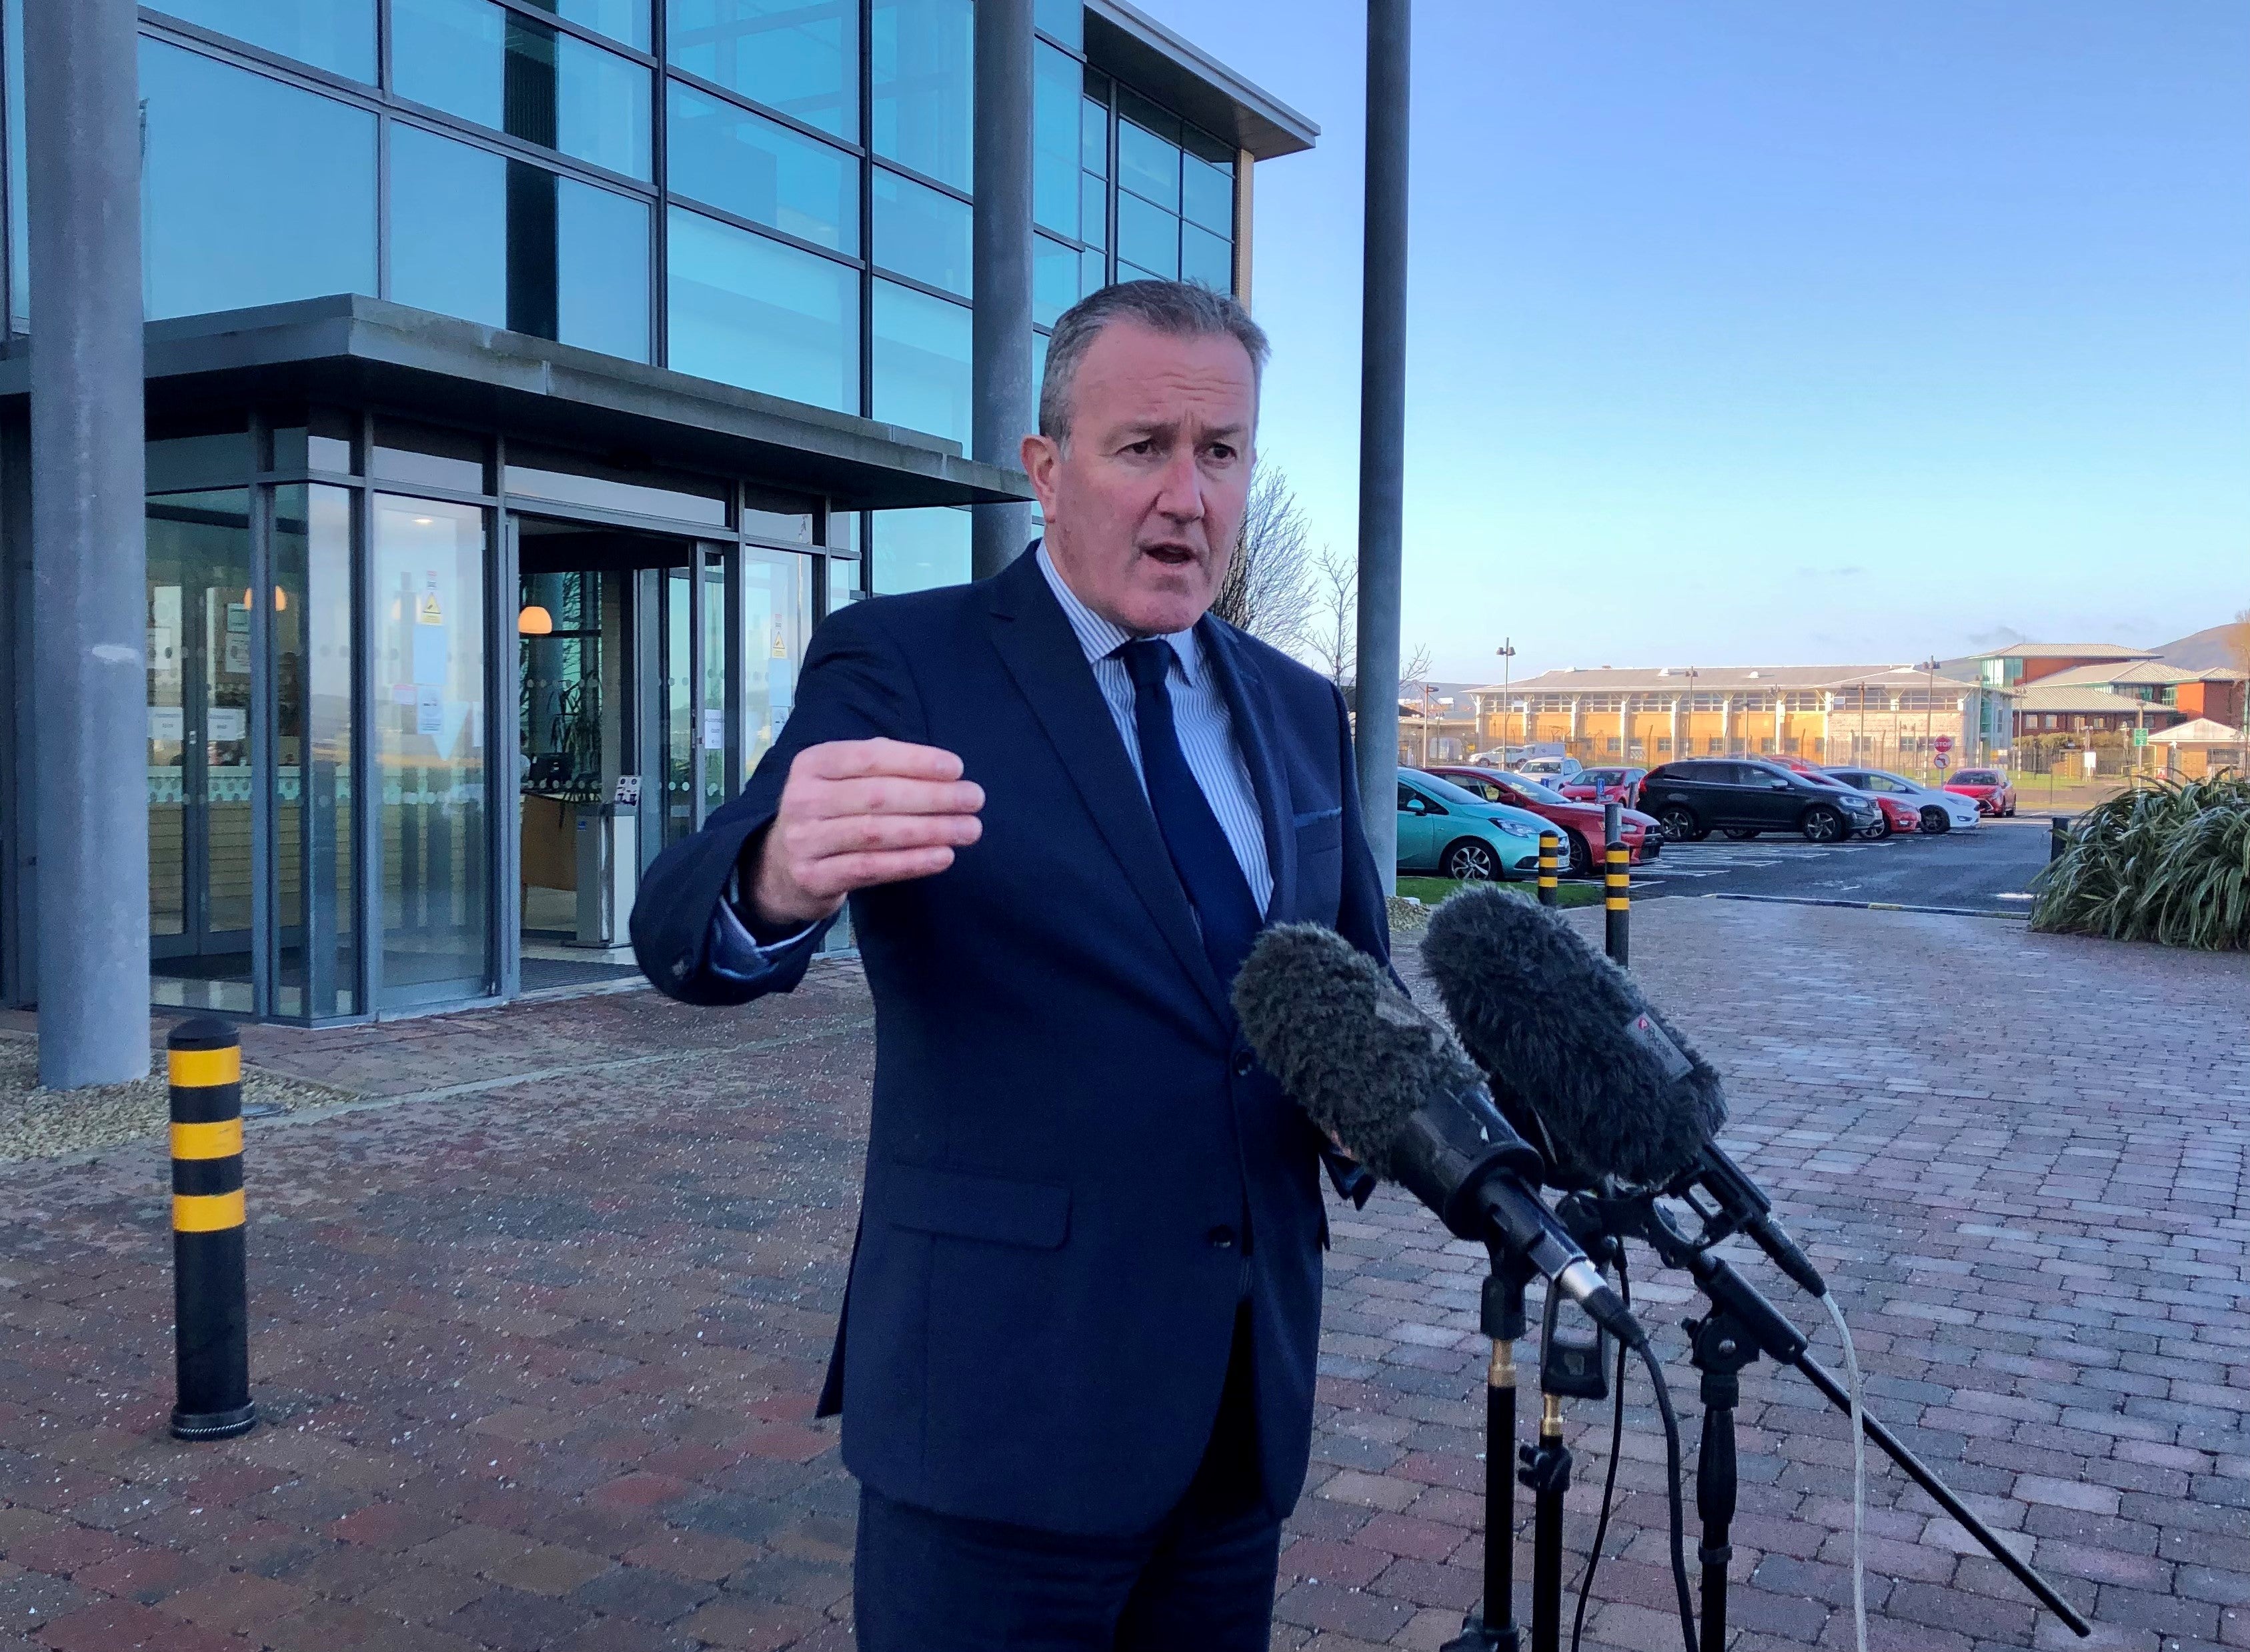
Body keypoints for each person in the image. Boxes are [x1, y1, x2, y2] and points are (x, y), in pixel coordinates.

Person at [632, 280, 1392, 1649]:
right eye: (1140, 446)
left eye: (1219, 453)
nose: (1186, 496)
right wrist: (773, 874)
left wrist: (1376, 1115)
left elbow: (1354, 982)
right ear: (1046, 469)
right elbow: (689, 936)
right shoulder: (907, 661)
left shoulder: (1292, 702)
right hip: (1001, 1404)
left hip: (1236, 1399)